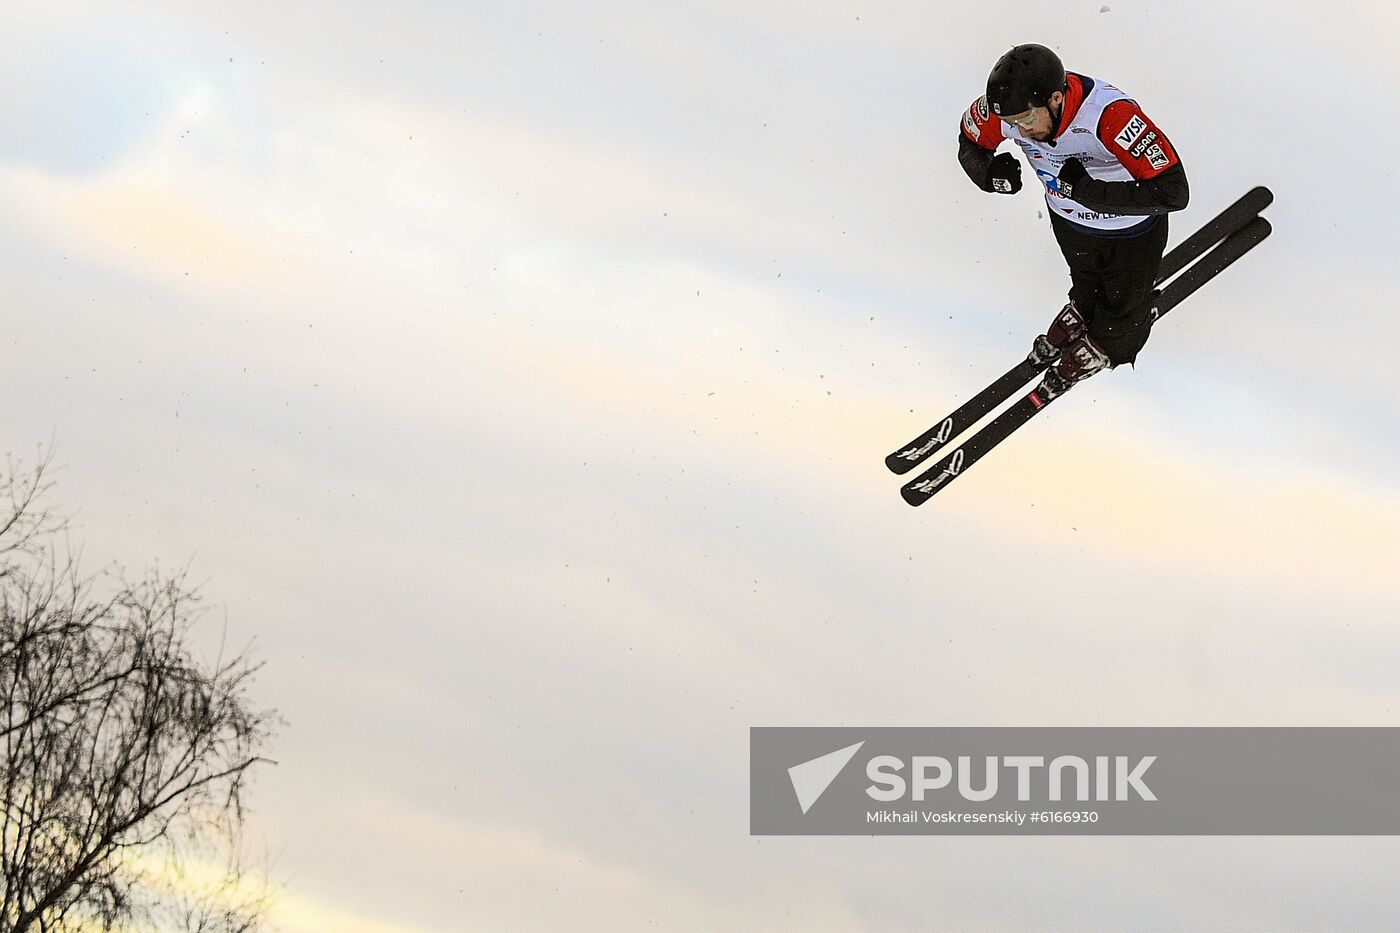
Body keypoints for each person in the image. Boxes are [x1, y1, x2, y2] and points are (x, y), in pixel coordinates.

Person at [958, 44, 1189, 397]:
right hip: (1071, 226)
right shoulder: (1005, 109)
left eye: (1026, 119)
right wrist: (990, 175)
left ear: (1055, 98)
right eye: (1011, 123)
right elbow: (969, 141)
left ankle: (1111, 341)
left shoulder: (1110, 117)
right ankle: (1084, 305)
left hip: (1131, 234)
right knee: (1087, 281)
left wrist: (1088, 191)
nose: (1020, 130)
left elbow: (1173, 192)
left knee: (1123, 309)